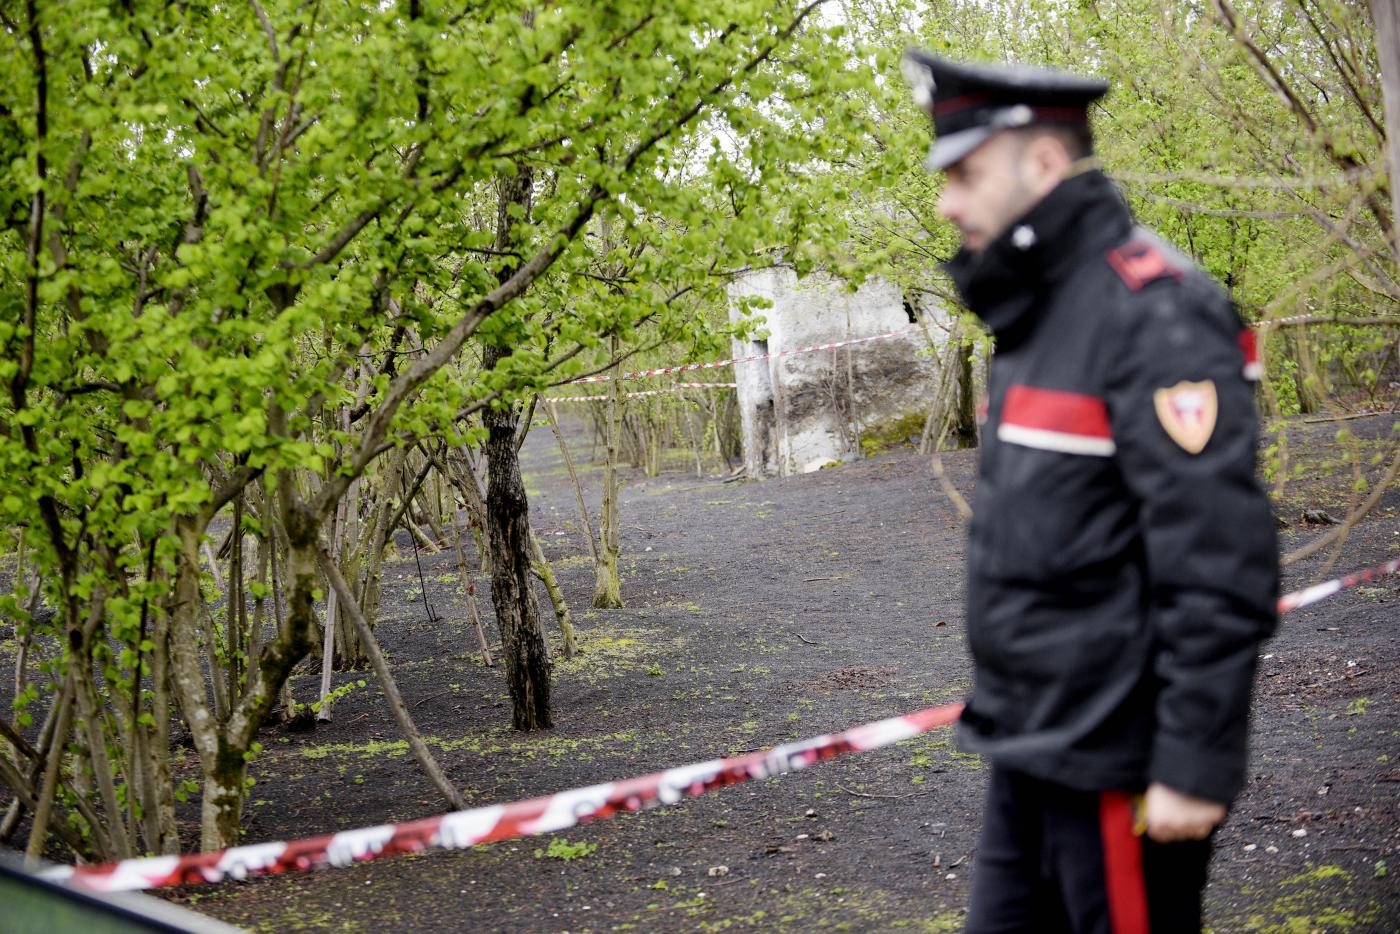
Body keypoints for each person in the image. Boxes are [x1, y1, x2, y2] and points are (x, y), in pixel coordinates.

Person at [899, 51, 1279, 933]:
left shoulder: (1156, 313)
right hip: (1028, 746)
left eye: (964, 173)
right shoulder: (1036, 312)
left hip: (1121, 762)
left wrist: (1193, 760)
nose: (948, 201)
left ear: (1041, 162)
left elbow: (1218, 557)